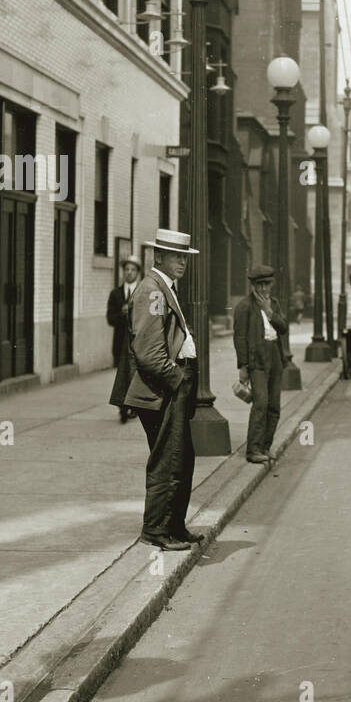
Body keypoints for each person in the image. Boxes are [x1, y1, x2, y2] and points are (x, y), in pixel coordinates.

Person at [109, 229, 205, 551]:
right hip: (163, 389)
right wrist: (177, 379)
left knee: (181, 458)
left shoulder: (164, 288)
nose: (182, 263)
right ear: (158, 257)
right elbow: (149, 353)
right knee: (168, 459)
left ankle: (174, 526)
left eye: (185, 257)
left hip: (170, 387)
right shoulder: (153, 290)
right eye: (176, 256)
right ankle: (156, 530)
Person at [233, 265, 292, 464]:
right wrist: (243, 366)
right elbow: (240, 338)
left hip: (274, 356)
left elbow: (283, 328)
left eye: (267, 284)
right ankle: (253, 449)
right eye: (260, 285)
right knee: (261, 403)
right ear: (253, 286)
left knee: (274, 405)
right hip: (256, 359)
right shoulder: (244, 307)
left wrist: (269, 312)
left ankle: (266, 447)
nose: (264, 289)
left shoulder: (273, 304)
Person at [106, 258, 142, 423]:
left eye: (133, 270)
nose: (129, 272)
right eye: (127, 269)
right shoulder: (116, 294)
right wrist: (122, 313)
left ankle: (133, 406)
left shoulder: (142, 292)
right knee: (121, 375)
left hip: (137, 343)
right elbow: (110, 318)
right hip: (120, 343)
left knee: (134, 374)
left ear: (137, 272)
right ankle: (122, 408)